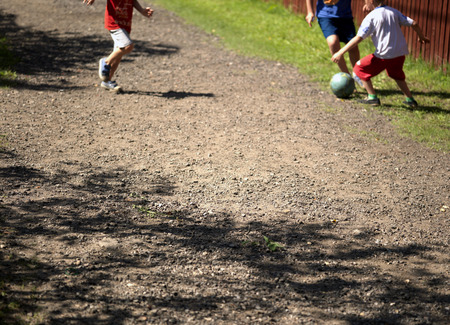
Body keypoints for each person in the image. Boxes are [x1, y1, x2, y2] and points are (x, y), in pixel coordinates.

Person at [331, 0, 430, 107]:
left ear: (371, 1)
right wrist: (422, 37)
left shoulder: (371, 17)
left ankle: (372, 97)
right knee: (396, 74)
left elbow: (359, 38)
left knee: (359, 69)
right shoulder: (393, 12)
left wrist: (340, 52)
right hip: (400, 53)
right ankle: (410, 100)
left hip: (384, 55)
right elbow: (414, 23)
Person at [83, 0, 154, 91]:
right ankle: (106, 62)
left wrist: (141, 10)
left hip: (125, 23)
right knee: (128, 46)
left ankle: (106, 81)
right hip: (114, 23)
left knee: (117, 56)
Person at [305, 0, 363, 86]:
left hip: (345, 16)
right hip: (325, 15)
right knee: (333, 42)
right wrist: (310, 11)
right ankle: (347, 78)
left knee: (353, 48)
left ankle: (358, 75)